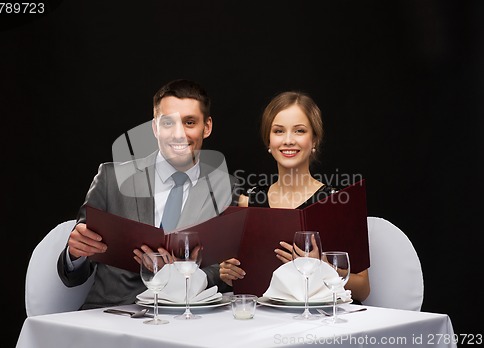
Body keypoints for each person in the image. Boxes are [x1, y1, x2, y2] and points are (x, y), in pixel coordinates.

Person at [57, 79, 236, 309]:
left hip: (186, 318)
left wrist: (179, 274)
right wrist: (75, 254)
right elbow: (72, 275)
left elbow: (221, 271)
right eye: (168, 123)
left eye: (189, 122)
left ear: (207, 127)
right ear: (155, 127)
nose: (178, 134)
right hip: (111, 317)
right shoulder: (112, 179)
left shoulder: (226, 187)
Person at [219, 91, 370, 303]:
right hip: (264, 319)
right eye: (279, 131)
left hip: (321, 322)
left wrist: (320, 266)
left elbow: (363, 289)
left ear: (314, 139)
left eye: (299, 131)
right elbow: (246, 281)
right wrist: (229, 273)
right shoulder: (247, 203)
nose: (288, 140)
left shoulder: (337, 203)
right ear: (268, 142)